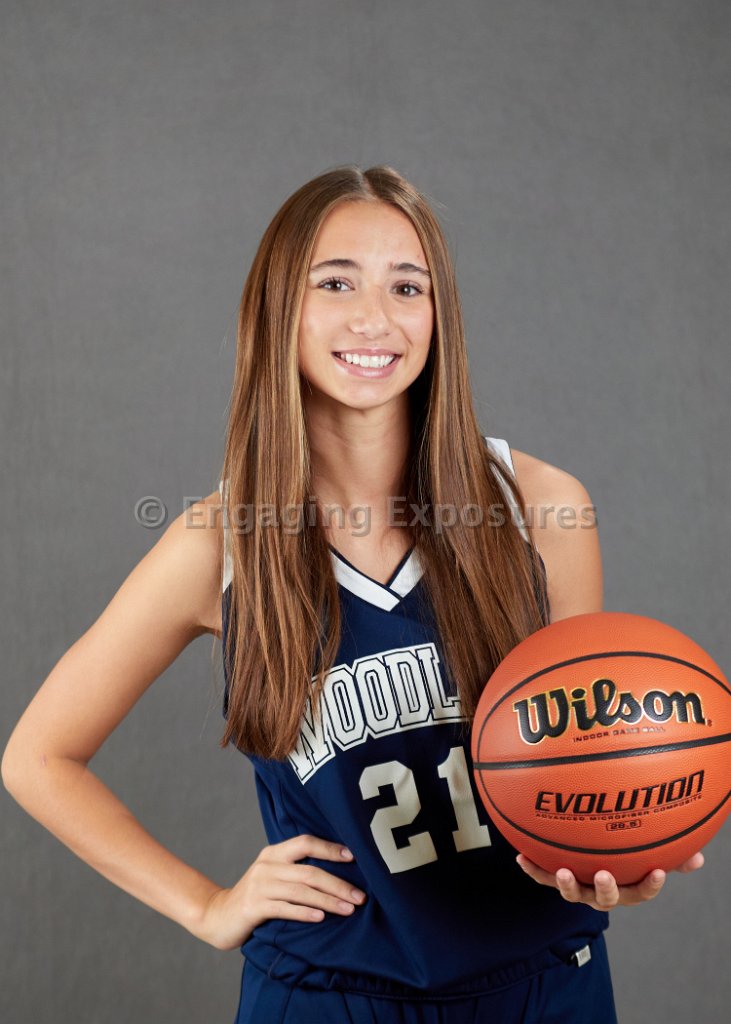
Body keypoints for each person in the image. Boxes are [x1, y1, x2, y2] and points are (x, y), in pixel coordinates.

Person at [2, 164, 704, 1024]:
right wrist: (207, 906)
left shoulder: (539, 508)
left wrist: (609, 860)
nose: (374, 318)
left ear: (438, 314)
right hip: (330, 996)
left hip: (544, 983)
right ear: (278, 307)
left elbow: (586, 756)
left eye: (406, 287)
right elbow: (38, 758)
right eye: (335, 283)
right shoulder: (221, 543)